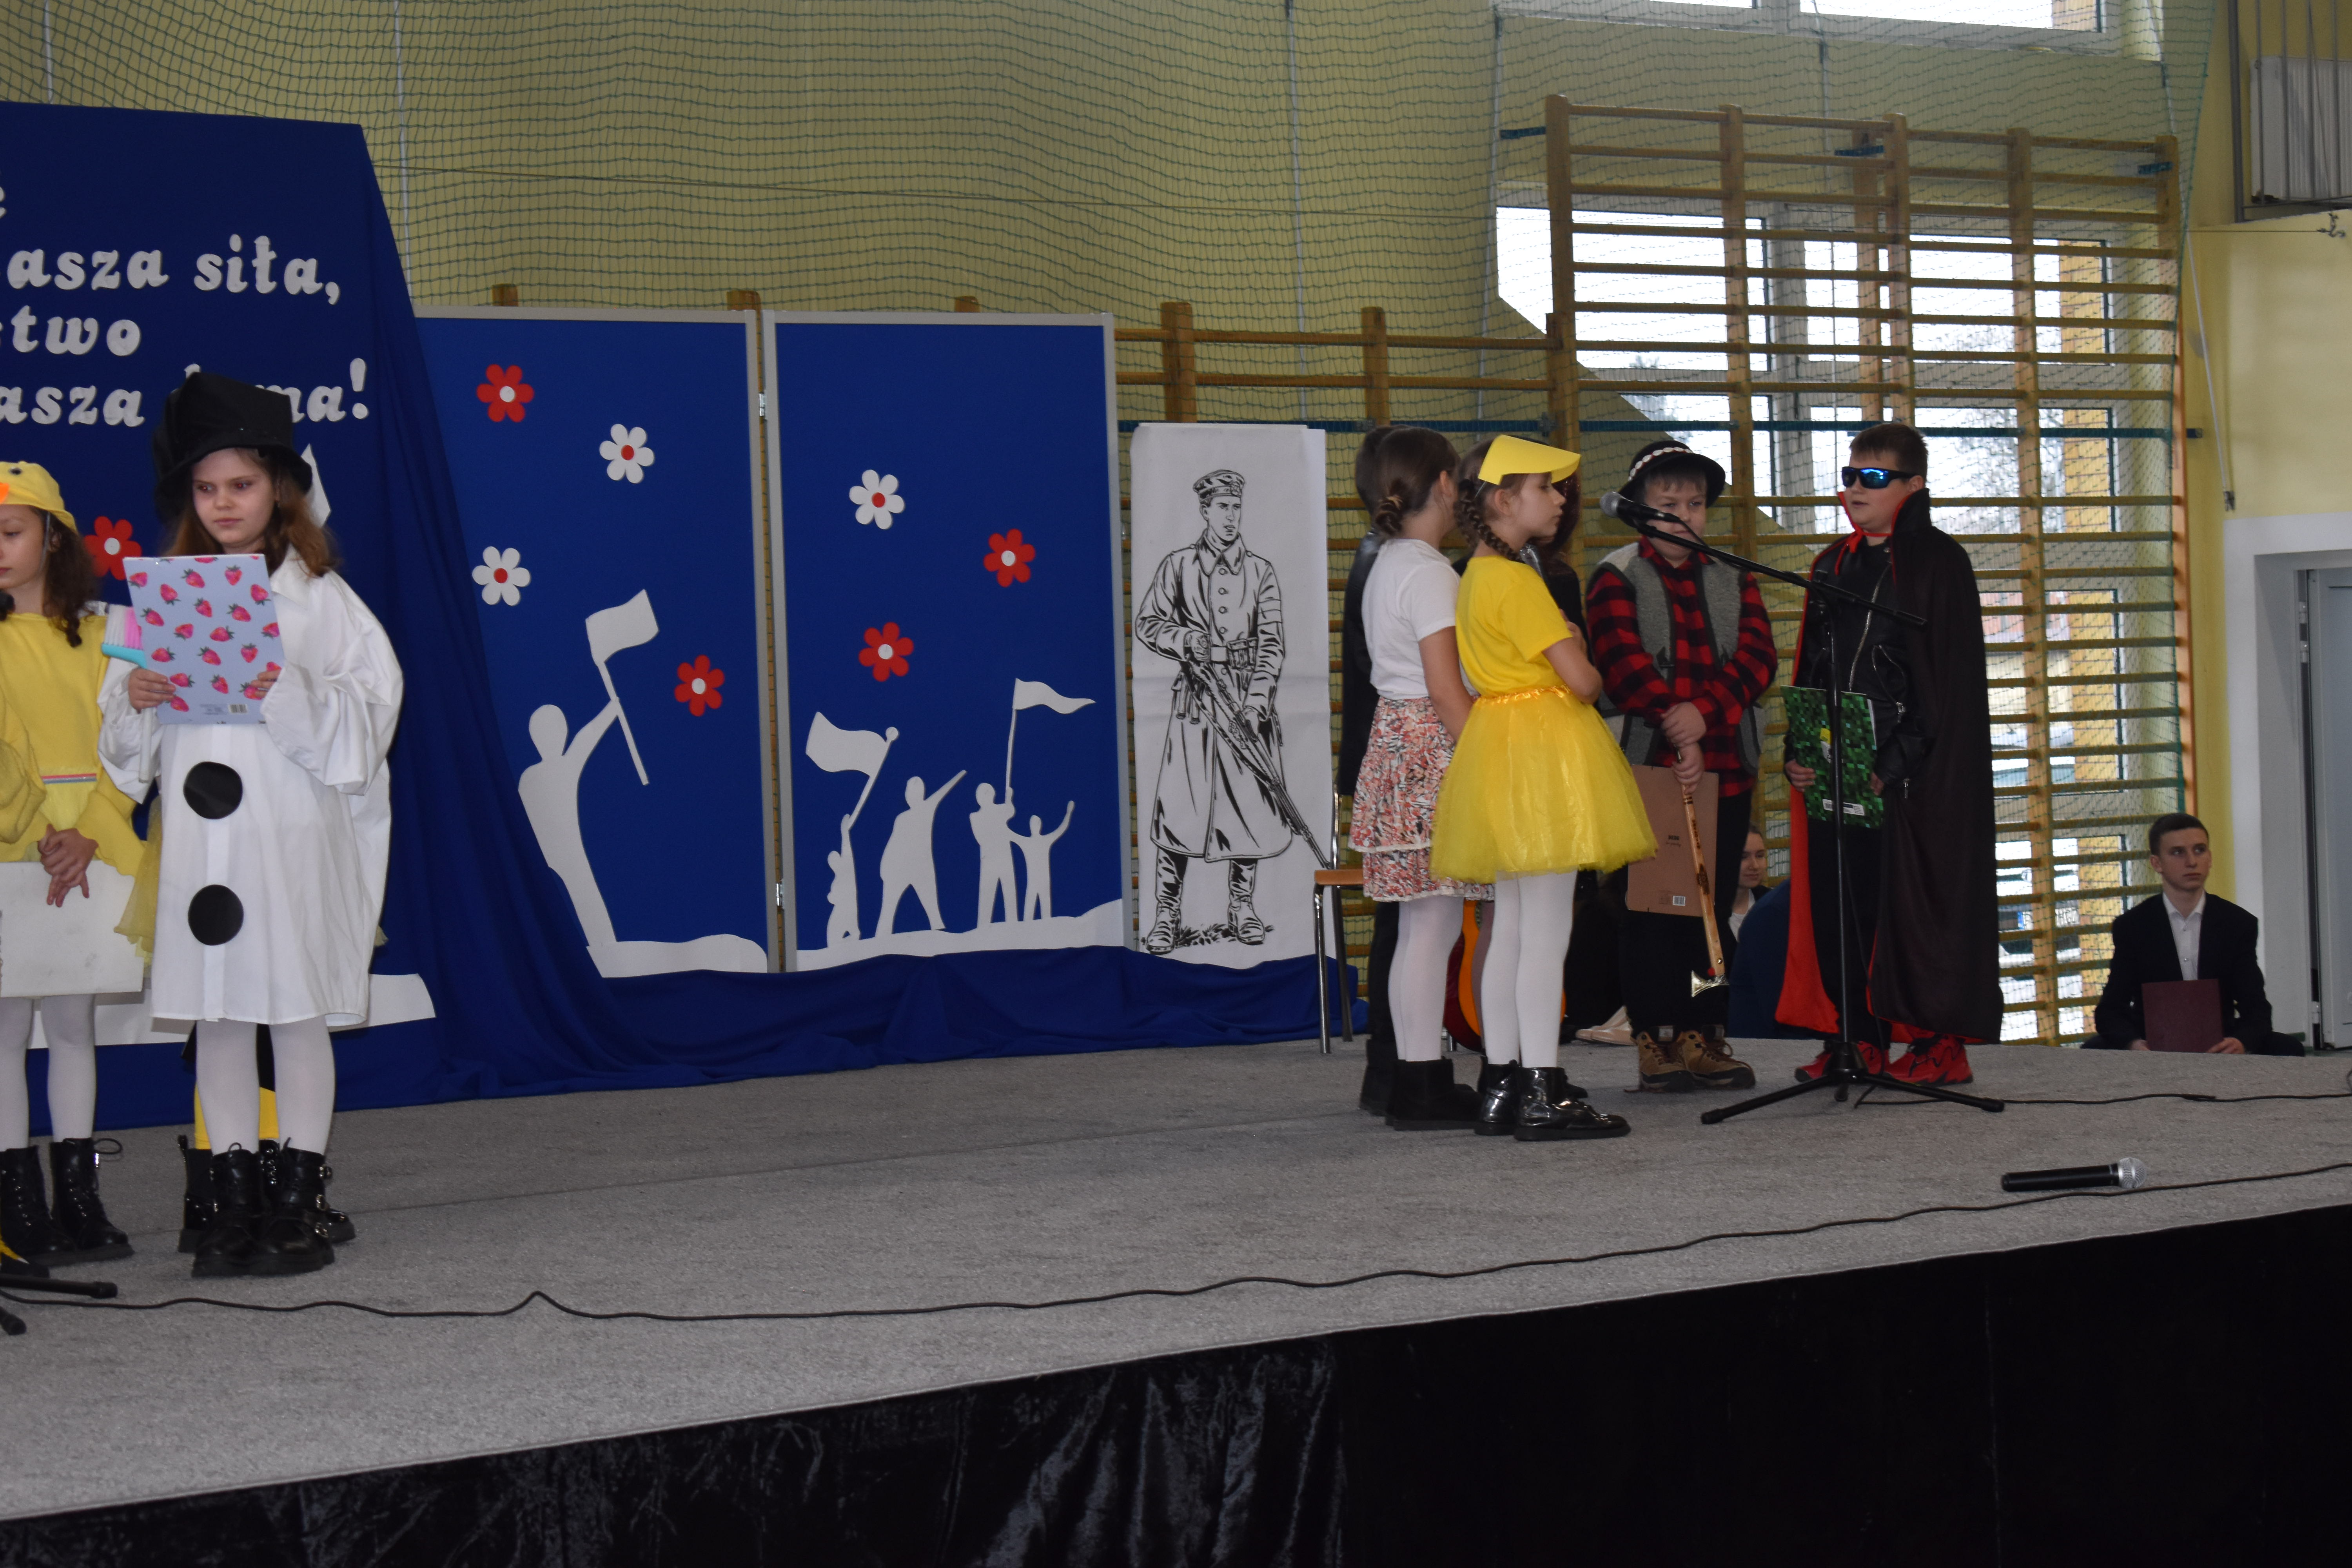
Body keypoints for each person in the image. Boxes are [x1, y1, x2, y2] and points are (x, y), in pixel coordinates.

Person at [101, 372, 404, 1279]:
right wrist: (139, 698)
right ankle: (231, 1203)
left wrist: (292, 688)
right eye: (206, 488)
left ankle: (297, 1199)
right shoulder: (167, 600)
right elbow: (125, 747)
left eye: (241, 484)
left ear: (279, 488)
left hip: (288, 838)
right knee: (222, 1015)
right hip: (205, 850)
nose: (224, 502)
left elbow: (374, 710)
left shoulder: (324, 599)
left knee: (296, 1011)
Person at [1429, 436, 1654, 1141]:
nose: (1559, 500)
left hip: (1499, 748)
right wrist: (1572, 643)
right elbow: (1585, 684)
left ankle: (1501, 1083)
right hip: (1543, 753)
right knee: (1547, 931)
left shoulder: (1474, 576)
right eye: (1545, 488)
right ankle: (1542, 1089)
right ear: (1504, 499)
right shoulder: (1521, 582)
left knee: (1512, 929)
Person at [1777, 423, 2000, 1085]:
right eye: (1849, 476)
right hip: (1836, 764)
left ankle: (1938, 1044)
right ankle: (1857, 1039)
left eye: (1872, 477)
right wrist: (1797, 749)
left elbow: (1947, 684)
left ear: (1914, 485)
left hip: (1913, 780)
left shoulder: (1938, 564)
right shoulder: (1832, 564)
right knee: (1841, 907)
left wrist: (1891, 766)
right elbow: (1812, 669)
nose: (1855, 489)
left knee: (1916, 913)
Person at [1585, 439, 1777, 1093]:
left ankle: (1704, 1034)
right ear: (1639, 510)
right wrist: (1678, 722)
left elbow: (1758, 658)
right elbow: (1621, 664)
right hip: (1651, 771)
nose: (1684, 516)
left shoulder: (1734, 576)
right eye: (1668, 504)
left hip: (1727, 768)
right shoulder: (1616, 576)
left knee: (1709, 912)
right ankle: (1657, 1039)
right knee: (1653, 910)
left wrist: (1705, 715)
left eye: (1695, 505)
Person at [0, 461, 136, 1268]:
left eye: (11, 532)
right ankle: (17, 1205)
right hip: (11, 844)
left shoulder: (107, 631)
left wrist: (85, 830)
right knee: (5, 1026)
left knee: (73, 1022)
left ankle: (79, 1198)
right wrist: (34, 828)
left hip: (93, 844)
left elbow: (133, 742)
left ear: (53, 537)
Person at [1344, 426, 1494, 1129]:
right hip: (1431, 747)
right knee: (1432, 925)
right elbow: (1444, 686)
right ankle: (1423, 1083)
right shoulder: (1432, 572)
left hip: (1397, 746)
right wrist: (1486, 757)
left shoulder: (1389, 561)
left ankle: (1414, 1078)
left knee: (1418, 926)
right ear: (1443, 485)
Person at [1135, 469, 1292, 954]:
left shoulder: (1261, 572)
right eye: (1222, 507)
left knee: (1248, 810)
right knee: (1179, 811)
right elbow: (1148, 623)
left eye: (1236, 507)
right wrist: (1186, 639)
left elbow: (1273, 645)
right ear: (1205, 510)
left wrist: (1257, 705)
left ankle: (1242, 906)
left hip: (1245, 704)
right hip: (1197, 705)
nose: (1230, 516)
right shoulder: (1178, 565)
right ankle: (1167, 912)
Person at [2085, 814, 2301, 1055]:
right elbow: (2111, 1010)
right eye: (2178, 853)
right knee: (2093, 1050)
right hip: (2153, 1043)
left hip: (2219, 1041)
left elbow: (2256, 1007)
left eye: (2200, 850)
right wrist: (2134, 1045)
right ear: (2157, 864)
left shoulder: (2238, 924)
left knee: (2288, 1048)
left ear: (2210, 858)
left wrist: (2240, 1042)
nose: (2191, 862)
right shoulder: (2133, 927)